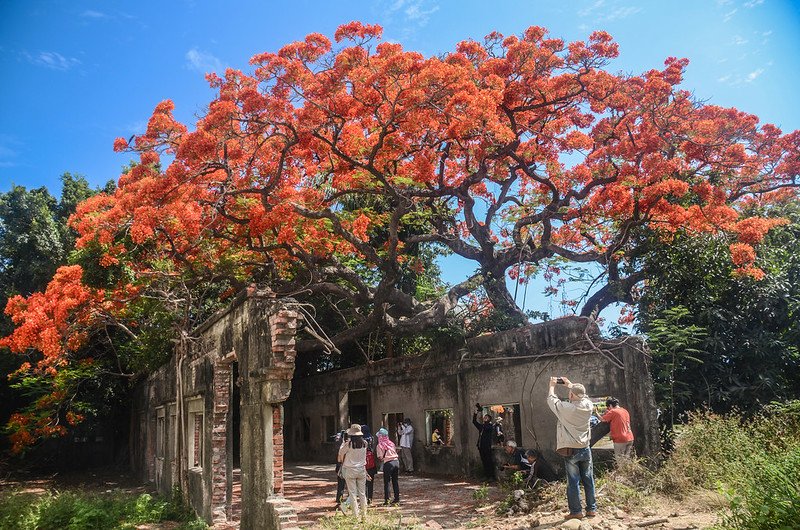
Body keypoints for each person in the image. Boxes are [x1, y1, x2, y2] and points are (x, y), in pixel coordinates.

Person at [547, 376, 597, 520]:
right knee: (588, 479)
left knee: (573, 482)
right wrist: (570, 385)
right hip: (585, 448)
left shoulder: (566, 408)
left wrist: (552, 385)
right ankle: (591, 509)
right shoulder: (589, 405)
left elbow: (551, 400)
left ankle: (576, 511)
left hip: (571, 450)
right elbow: (582, 395)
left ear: (571, 395)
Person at [338, 424, 369, 522]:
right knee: (362, 494)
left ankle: (356, 516)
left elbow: (341, 454)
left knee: (352, 494)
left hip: (350, 470)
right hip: (361, 469)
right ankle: (364, 516)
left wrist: (343, 462)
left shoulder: (349, 444)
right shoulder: (365, 443)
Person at [376, 427, 401, 505]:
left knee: (387, 482)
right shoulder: (391, 443)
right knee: (395, 481)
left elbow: (380, 457)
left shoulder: (380, 445)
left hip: (388, 463)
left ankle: (387, 500)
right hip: (396, 462)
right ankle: (397, 498)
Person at [472, 406, 496, 481]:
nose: (485, 418)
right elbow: (474, 422)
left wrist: (484, 421)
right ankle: (486, 475)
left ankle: (491, 476)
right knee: (484, 461)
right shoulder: (482, 426)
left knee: (489, 461)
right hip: (481, 447)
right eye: (484, 417)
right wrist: (476, 413)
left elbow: (485, 427)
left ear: (489, 419)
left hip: (487, 447)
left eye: (486, 417)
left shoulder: (489, 426)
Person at [361, 424, 378, 503]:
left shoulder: (361, 439)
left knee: (363, 482)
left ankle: (364, 498)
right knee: (370, 481)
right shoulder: (372, 438)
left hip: (363, 461)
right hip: (371, 460)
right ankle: (369, 498)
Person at [334, 430, 348, 505]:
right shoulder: (347, 445)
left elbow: (339, 457)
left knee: (341, 484)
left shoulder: (340, 444)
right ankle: (349, 502)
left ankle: (339, 500)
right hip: (347, 466)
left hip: (340, 465)